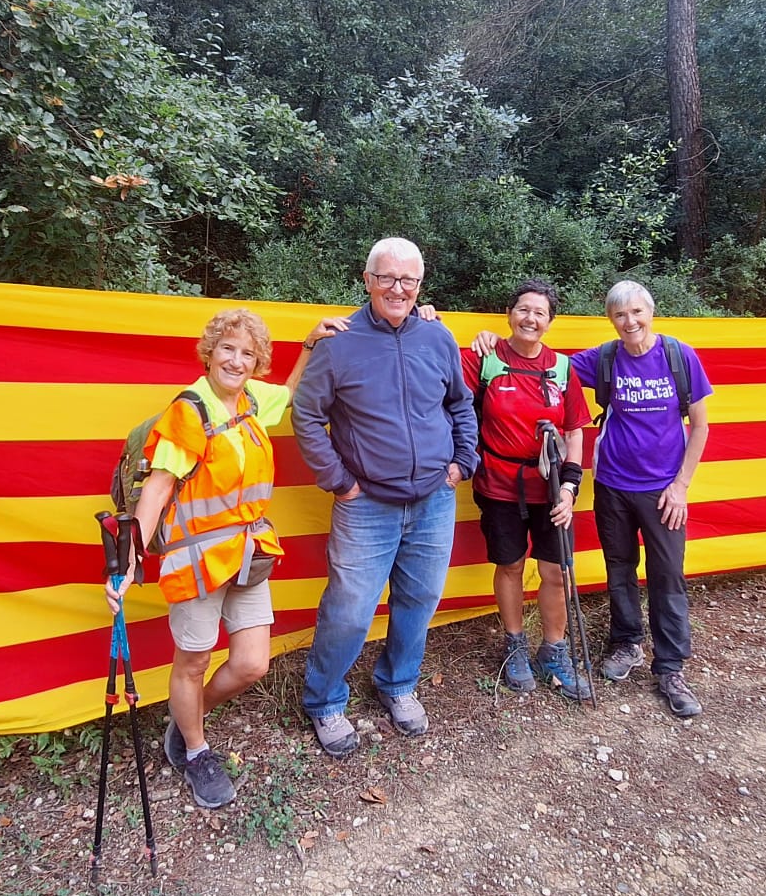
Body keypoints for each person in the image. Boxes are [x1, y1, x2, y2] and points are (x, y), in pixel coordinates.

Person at [108, 306, 345, 808]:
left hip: (246, 554)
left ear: (257, 363)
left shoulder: (252, 398)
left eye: (248, 354)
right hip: (195, 560)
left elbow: (290, 394)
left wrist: (308, 346)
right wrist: (129, 563)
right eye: (227, 349)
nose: (236, 361)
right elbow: (158, 489)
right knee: (193, 661)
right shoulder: (189, 412)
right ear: (210, 353)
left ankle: (187, 718)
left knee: (252, 664)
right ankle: (195, 751)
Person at [292, 237, 479, 757]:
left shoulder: (438, 337)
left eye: (408, 280)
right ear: (368, 280)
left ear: (420, 285)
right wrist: (340, 481)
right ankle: (324, 700)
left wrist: (463, 462)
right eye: (388, 278)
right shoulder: (338, 343)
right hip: (366, 505)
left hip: (433, 500)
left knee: (419, 600)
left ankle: (397, 684)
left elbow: (460, 403)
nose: (398, 289)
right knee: (350, 611)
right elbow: (305, 415)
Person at [569, 280, 712, 719]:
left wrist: (681, 486)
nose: (629, 321)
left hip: (663, 490)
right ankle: (626, 642)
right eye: (620, 315)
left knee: (667, 576)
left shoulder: (678, 356)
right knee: (620, 568)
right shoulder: (604, 358)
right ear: (610, 320)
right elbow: (543, 365)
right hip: (612, 485)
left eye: (636, 312)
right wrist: (490, 342)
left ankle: (670, 668)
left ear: (651, 313)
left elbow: (701, 427)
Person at [462, 279, 594, 699]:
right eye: (523, 309)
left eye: (540, 313)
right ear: (509, 314)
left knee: (556, 569)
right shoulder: (485, 359)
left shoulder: (562, 368)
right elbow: (443, 390)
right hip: (499, 484)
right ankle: (515, 644)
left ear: (550, 321)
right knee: (511, 565)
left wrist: (570, 487)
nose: (530, 318)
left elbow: (574, 430)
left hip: (552, 487)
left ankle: (554, 651)